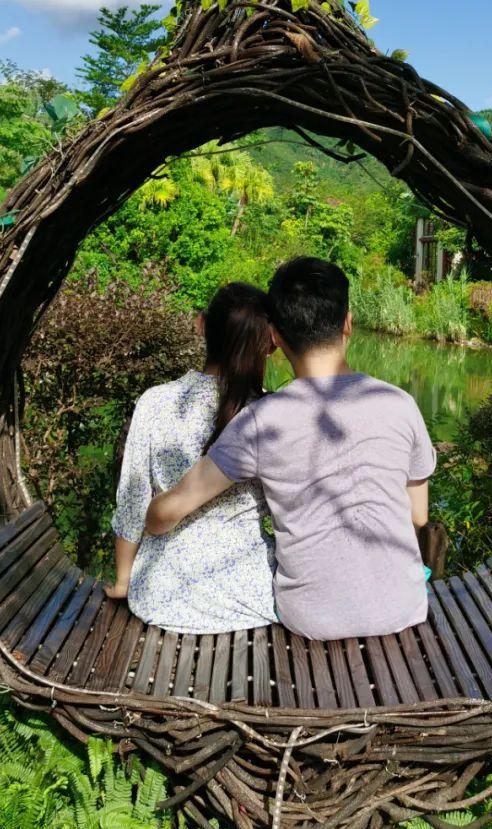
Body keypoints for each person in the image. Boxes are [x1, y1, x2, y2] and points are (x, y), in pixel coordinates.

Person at [145, 257, 436, 641]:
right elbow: (418, 515)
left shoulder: (261, 422)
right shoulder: (400, 404)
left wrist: (150, 517)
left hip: (311, 619)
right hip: (404, 607)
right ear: (348, 324)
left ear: (276, 338)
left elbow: (171, 510)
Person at [105, 282, 277, 633]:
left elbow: (133, 503)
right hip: (251, 599)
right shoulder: (271, 413)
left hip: (162, 597)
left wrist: (124, 581)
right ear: (269, 344)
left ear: (201, 325)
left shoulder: (154, 403)